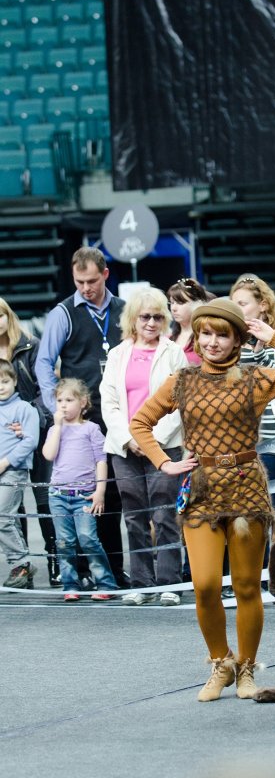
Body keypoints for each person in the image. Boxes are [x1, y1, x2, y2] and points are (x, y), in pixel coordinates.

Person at [130, 297, 275, 701]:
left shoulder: (255, 378)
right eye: (206, 333)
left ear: (236, 340)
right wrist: (164, 462)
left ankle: (248, 668)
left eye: (222, 334)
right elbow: (140, 421)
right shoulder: (182, 381)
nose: (213, 342)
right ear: (197, 338)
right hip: (201, 490)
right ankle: (221, 662)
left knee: (248, 586)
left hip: (246, 487)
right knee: (203, 585)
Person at [35, 246, 129, 589]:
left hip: (116, 416)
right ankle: (80, 573)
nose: (85, 288)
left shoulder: (123, 310)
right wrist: (56, 409)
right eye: (79, 281)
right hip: (79, 420)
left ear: (105, 274)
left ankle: (114, 572)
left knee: (112, 496)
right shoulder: (63, 312)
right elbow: (44, 362)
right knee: (74, 494)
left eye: (91, 281)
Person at [100, 287, 188, 606]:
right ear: (133, 319)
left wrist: (150, 441)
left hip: (163, 445)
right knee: (134, 515)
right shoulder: (117, 354)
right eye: (145, 316)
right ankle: (140, 582)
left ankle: (168, 582)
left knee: (164, 514)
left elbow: (180, 402)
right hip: (125, 448)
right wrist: (130, 438)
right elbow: (108, 403)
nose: (151, 323)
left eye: (158, 317)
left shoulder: (173, 352)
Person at [230, 275, 275, 521]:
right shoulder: (234, 345)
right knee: (249, 510)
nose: (237, 310)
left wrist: (265, 344)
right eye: (233, 304)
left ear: (263, 305)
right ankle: (261, 560)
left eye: (243, 303)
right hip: (241, 441)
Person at [0, 298, 60, 587]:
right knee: (12, 508)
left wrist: (29, 417)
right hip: (5, 438)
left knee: (44, 499)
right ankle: (21, 567)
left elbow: (45, 388)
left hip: (36, 430)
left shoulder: (30, 345)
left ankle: (55, 560)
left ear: (8, 316)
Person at [42, 378, 118, 602]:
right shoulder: (55, 429)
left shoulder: (91, 429)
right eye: (59, 400)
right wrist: (57, 427)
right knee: (64, 541)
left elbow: (101, 461)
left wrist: (100, 491)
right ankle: (70, 584)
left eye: (69, 400)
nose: (63, 405)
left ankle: (105, 582)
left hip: (84, 495)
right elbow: (48, 455)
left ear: (83, 402)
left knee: (88, 539)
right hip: (58, 495)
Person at [0, 360, 40, 590]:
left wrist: (6, 462)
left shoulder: (24, 409)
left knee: (3, 517)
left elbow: (30, 441)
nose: (1, 386)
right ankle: (20, 565)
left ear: (14, 381)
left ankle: (21, 562)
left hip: (13, 471)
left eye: (5, 381)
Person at [167, 277, 210, 365]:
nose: (174, 308)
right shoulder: (168, 338)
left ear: (197, 304)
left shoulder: (206, 337)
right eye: (172, 302)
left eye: (180, 303)